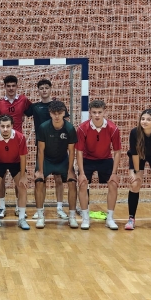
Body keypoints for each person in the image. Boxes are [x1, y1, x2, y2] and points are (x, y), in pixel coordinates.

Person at [25, 79, 69, 220]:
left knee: (59, 179)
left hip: (58, 147)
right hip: (42, 147)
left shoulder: (58, 105)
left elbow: (66, 124)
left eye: (46, 88)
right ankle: (40, 209)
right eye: (41, 88)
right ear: (38, 90)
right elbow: (20, 111)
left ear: (50, 89)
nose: (44, 90)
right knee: (40, 178)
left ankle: (60, 208)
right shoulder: (35, 107)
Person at [75, 100, 121, 230]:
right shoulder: (82, 128)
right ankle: (85, 218)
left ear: (104, 112)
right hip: (87, 159)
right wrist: (81, 173)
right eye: (94, 112)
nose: (97, 115)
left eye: (99, 112)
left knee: (113, 184)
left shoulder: (113, 129)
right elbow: (79, 152)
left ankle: (110, 218)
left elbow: (117, 151)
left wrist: (114, 173)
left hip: (105, 159)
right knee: (82, 184)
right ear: (90, 112)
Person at [34, 100, 78, 229]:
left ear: (64, 113)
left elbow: (71, 151)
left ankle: (72, 217)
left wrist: (70, 170)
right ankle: (40, 216)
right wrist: (40, 170)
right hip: (46, 160)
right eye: (54, 113)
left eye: (59, 113)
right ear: (50, 113)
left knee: (72, 182)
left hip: (62, 159)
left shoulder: (70, 128)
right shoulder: (43, 127)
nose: (57, 116)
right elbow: (40, 150)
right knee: (39, 181)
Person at [0, 75, 32, 218]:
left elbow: (33, 111)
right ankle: (1, 207)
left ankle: (19, 207)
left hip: (17, 145)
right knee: (0, 177)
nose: (11, 88)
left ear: (17, 86)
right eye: (8, 86)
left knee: (20, 178)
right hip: (1, 145)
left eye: (13, 86)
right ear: (4, 87)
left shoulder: (24, 100)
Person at [0, 115, 29, 230]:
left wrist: (23, 175)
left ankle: (21, 219)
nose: (5, 129)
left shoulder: (20, 137)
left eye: (8, 126)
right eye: (2, 126)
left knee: (22, 186)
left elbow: (23, 157)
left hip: (16, 162)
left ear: (12, 126)